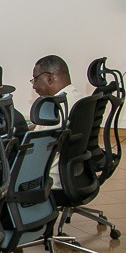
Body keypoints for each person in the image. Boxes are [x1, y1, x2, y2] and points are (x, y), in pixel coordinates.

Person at [30, 55, 83, 189]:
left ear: (49, 78)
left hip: (48, 180)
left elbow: (36, 151)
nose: (34, 86)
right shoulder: (79, 100)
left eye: (35, 79)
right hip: (73, 176)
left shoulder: (54, 108)